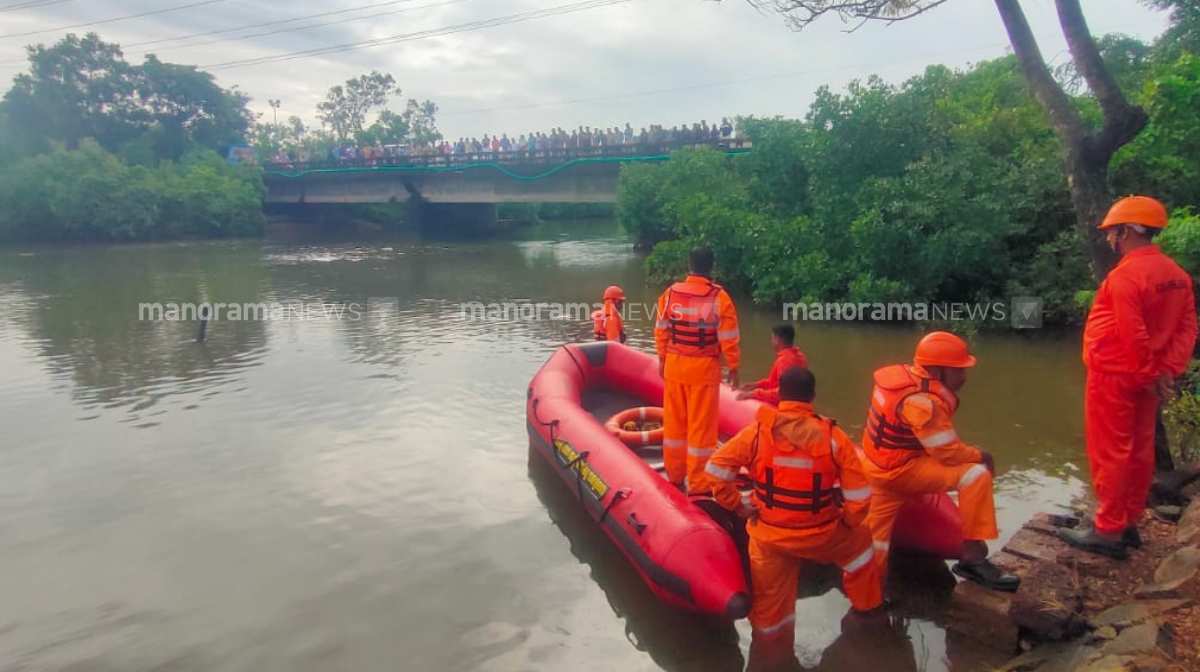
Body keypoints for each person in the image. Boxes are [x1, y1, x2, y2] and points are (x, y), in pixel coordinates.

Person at [702, 366, 883, 649]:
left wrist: (738, 506)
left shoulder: (757, 433)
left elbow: (715, 470)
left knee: (769, 607)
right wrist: (847, 521)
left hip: (770, 537)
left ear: (780, 395)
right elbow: (860, 497)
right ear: (812, 396)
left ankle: (770, 648)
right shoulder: (835, 438)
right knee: (861, 546)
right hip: (822, 533)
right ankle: (866, 611)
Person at [1060, 196, 1198, 559]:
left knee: (1110, 452)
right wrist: (1167, 371)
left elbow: (1132, 334)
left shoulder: (1126, 276)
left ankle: (1107, 531)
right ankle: (1128, 521)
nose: (1109, 239)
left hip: (1115, 374)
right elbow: (1187, 328)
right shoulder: (1177, 276)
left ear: (1127, 231)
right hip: (1146, 378)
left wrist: (1152, 372)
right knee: (1138, 451)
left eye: (1112, 232)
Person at [860, 331, 1019, 592]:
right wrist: (981, 455)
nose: (964, 377)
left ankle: (867, 600)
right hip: (902, 472)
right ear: (937, 371)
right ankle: (973, 557)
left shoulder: (898, 380)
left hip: (876, 470)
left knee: (875, 545)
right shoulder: (924, 403)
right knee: (975, 474)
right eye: (958, 371)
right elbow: (948, 454)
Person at [655, 246, 740, 493]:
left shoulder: (670, 294)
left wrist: (662, 358)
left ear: (689, 265)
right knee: (701, 429)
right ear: (711, 267)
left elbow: (661, 330)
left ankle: (675, 473)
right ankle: (699, 483)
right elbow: (729, 337)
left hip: (674, 366)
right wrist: (734, 366)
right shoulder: (719, 298)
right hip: (703, 370)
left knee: (674, 424)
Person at [737, 324, 809, 405]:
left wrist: (754, 394)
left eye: (772, 338)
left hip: (785, 406)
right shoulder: (800, 356)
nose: (771, 341)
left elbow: (783, 393)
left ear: (777, 339)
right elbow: (774, 383)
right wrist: (755, 385)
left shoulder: (784, 361)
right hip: (798, 403)